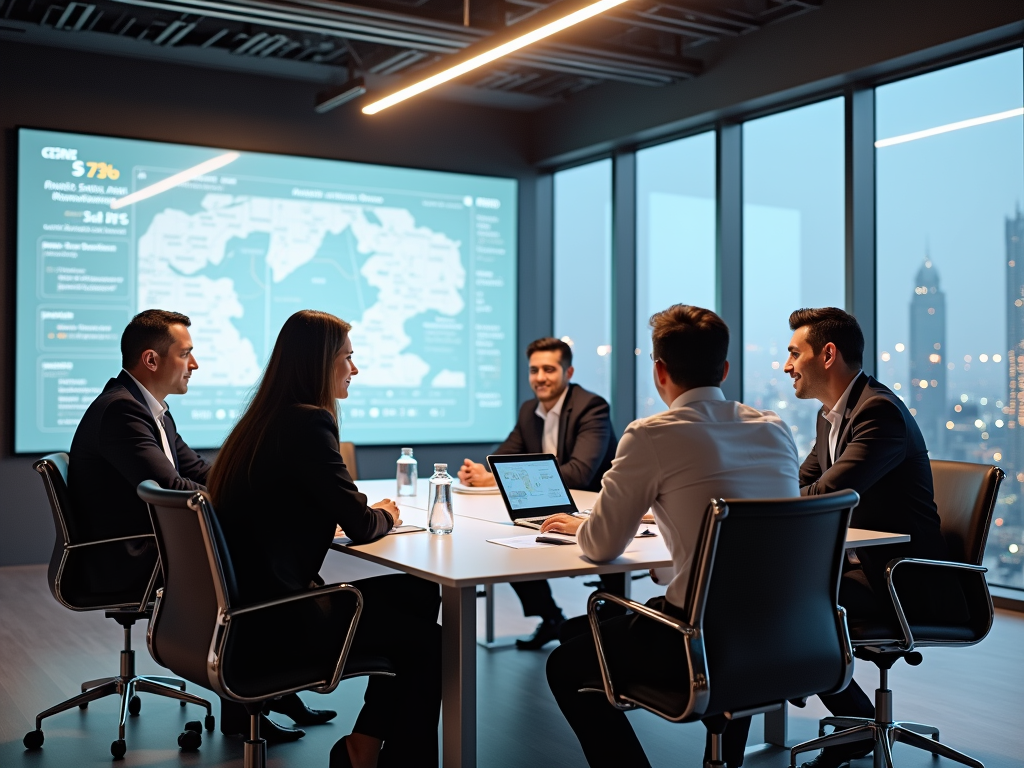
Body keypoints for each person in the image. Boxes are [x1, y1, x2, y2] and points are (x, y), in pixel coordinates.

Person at [542, 305, 800, 768]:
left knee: (566, 664)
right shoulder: (774, 429)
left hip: (696, 639)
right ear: (723, 369)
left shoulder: (650, 435)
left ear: (659, 371)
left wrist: (589, 523)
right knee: (733, 604)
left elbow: (600, 547)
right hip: (786, 631)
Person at [68, 309, 331, 744]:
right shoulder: (122, 412)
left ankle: (276, 689)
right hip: (122, 558)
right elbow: (174, 488)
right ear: (151, 360)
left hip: (145, 547)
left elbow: (202, 472)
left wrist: (258, 491)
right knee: (254, 565)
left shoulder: (149, 409)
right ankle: (250, 701)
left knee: (268, 557)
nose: (195, 364)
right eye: (186, 354)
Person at [207, 309, 441, 768]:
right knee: (429, 642)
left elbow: (289, 504)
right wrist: (386, 514)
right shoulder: (308, 423)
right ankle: (379, 752)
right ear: (319, 363)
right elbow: (360, 523)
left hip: (242, 614)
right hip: (276, 620)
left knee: (419, 589)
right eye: (347, 358)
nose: (354, 369)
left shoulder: (262, 420)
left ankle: (365, 744)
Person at [782, 307, 962, 768]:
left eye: (792, 353)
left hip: (907, 583)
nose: (786, 366)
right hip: (864, 570)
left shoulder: (878, 412)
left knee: (787, 596)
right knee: (783, 589)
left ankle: (841, 713)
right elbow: (793, 485)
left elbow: (823, 495)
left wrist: (773, 495)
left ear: (827, 354)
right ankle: (827, 698)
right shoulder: (831, 416)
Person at [458, 337, 620, 649]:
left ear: (568, 371)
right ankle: (551, 618)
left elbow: (580, 473)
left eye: (549, 369)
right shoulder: (530, 409)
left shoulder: (592, 407)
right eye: (534, 370)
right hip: (547, 506)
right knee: (506, 547)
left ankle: (611, 627)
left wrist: (495, 478)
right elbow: (504, 459)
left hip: (593, 508)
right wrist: (482, 472)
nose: (540, 377)